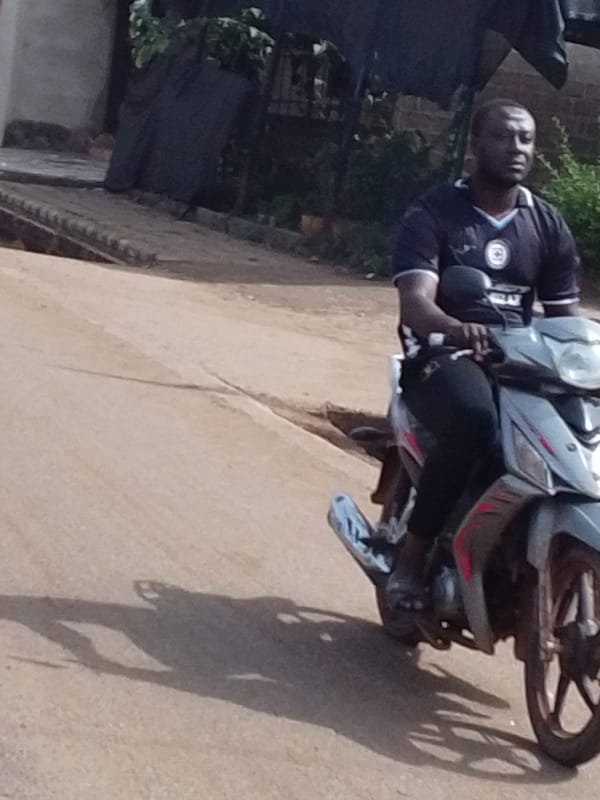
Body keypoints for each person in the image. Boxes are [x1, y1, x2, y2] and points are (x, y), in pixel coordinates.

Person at [387, 98, 580, 611]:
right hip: (441, 358)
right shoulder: (434, 213)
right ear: (476, 145)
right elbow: (415, 304)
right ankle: (412, 556)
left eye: (526, 139)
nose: (516, 148)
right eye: (503, 136)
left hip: (519, 364)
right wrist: (454, 328)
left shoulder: (547, 225)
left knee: (574, 432)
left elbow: (565, 320)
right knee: (476, 419)